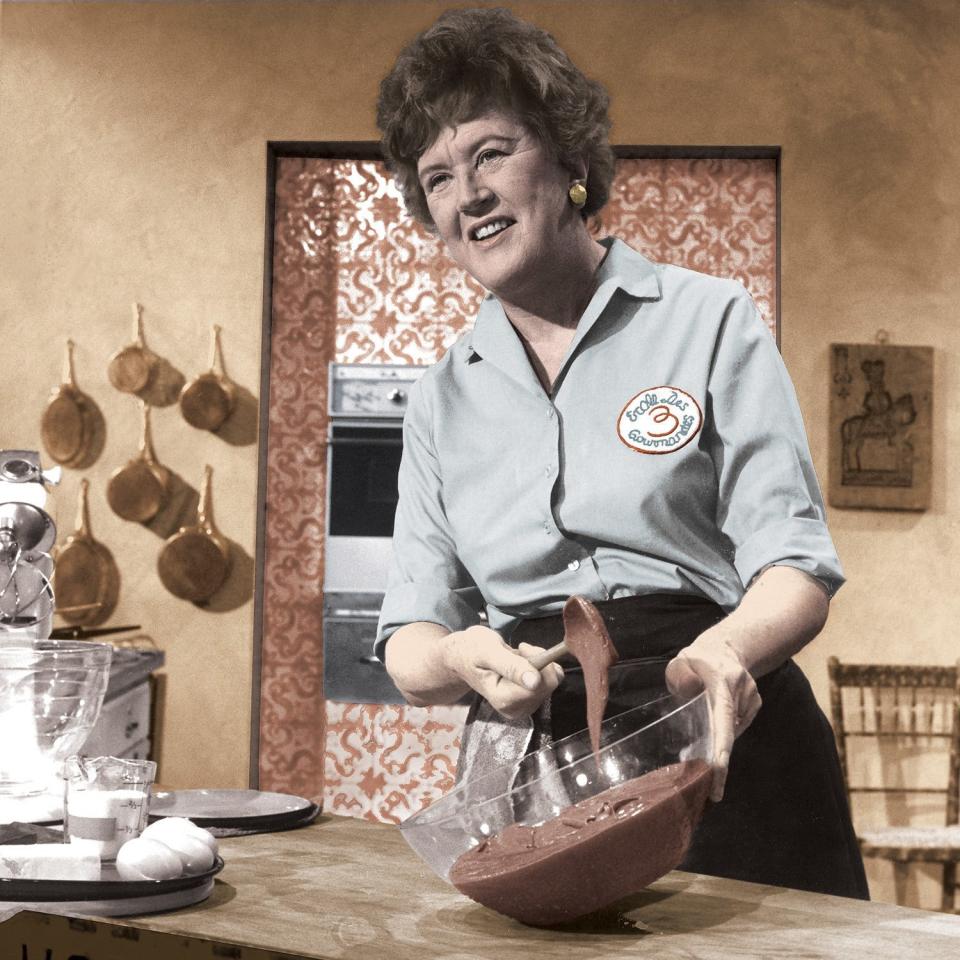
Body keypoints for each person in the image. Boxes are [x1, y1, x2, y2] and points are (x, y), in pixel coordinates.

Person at [374, 7, 868, 900]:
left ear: (568, 160)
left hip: (718, 720)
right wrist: (457, 660)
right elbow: (411, 635)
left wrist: (725, 653)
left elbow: (795, 564)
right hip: (532, 751)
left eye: (491, 153)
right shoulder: (443, 398)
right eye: (438, 176)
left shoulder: (710, 319)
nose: (467, 194)